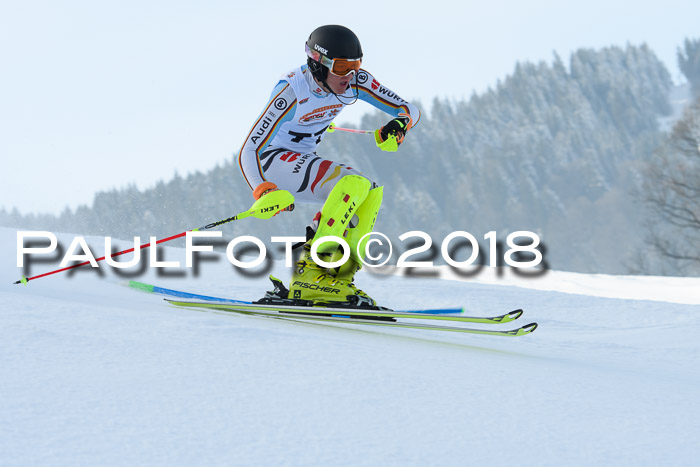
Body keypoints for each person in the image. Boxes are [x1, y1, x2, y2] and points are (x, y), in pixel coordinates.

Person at [237, 24, 420, 307]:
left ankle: (339, 278)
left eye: (356, 65)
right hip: (272, 163)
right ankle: (310, 273)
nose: (350, 75)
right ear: (318, 64)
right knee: (353, 183)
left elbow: (409, 109)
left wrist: (399, 125)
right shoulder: (292, 90)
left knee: (370, 193)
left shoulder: (355, 81)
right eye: (343, 66)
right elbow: (249, 147)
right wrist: (262, 189)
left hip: (303, 159)